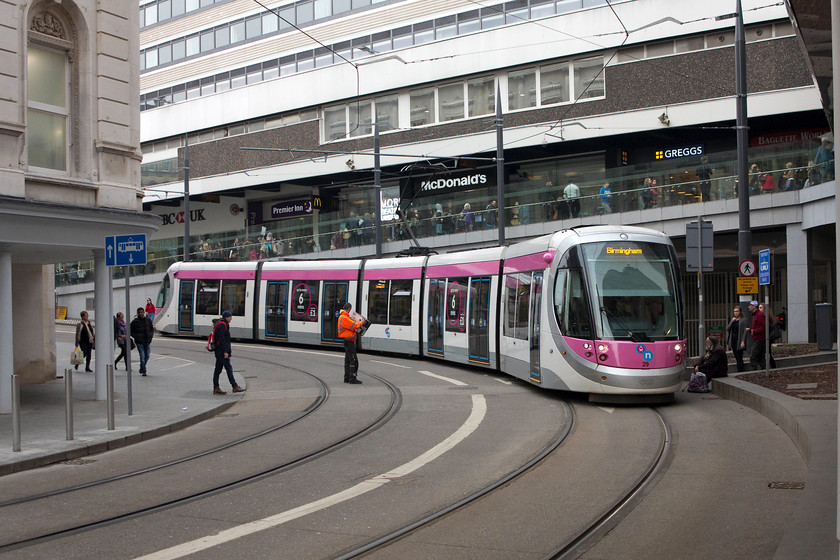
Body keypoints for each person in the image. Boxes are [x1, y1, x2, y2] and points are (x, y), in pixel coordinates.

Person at [212, 310, 245, 394]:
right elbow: (222, 340)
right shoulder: (222, 325)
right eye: (230, 317)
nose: (231, 319)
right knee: (229, 369)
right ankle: (234, 386)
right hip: (222, 352)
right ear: (227, 317)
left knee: (218, 370)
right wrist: (225, 352)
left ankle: (216, 388)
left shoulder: (221, 324)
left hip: (219, 352)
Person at [338, 302, 364, 384]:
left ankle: (347, 378)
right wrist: (361, 322)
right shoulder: (344, 318)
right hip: (349, 341)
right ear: (349, 309)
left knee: (348, 360)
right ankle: (352, 378)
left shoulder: (344, 317)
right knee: (353, 360)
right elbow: (354, 326)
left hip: (347, 340)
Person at [130, 307, 154, 376]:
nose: (141, 313)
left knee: (147, 355)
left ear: (144, 312)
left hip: (147, 340)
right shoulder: (135, 322)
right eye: (139, 312)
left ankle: (142, 367)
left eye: (142, 312)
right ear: (137, 313)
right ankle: (144, 370)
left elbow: (151, 329)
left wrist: (150, 337)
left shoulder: (148, 320)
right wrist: (136, 336)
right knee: (142, 356)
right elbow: (130, 330)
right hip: (139, 341)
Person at [726, 305, 747, 372]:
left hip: (739, 340)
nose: (736, 313)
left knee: (739, 356)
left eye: (737, 311)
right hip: (733, 340)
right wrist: (732, 321)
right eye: (734, 311)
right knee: (736, 356)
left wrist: (743, 341)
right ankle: (739, 369)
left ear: (740, 312)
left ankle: (740, 370)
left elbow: (744, 331)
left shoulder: (743, 320)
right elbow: (727, 328)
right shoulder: (733, 320)